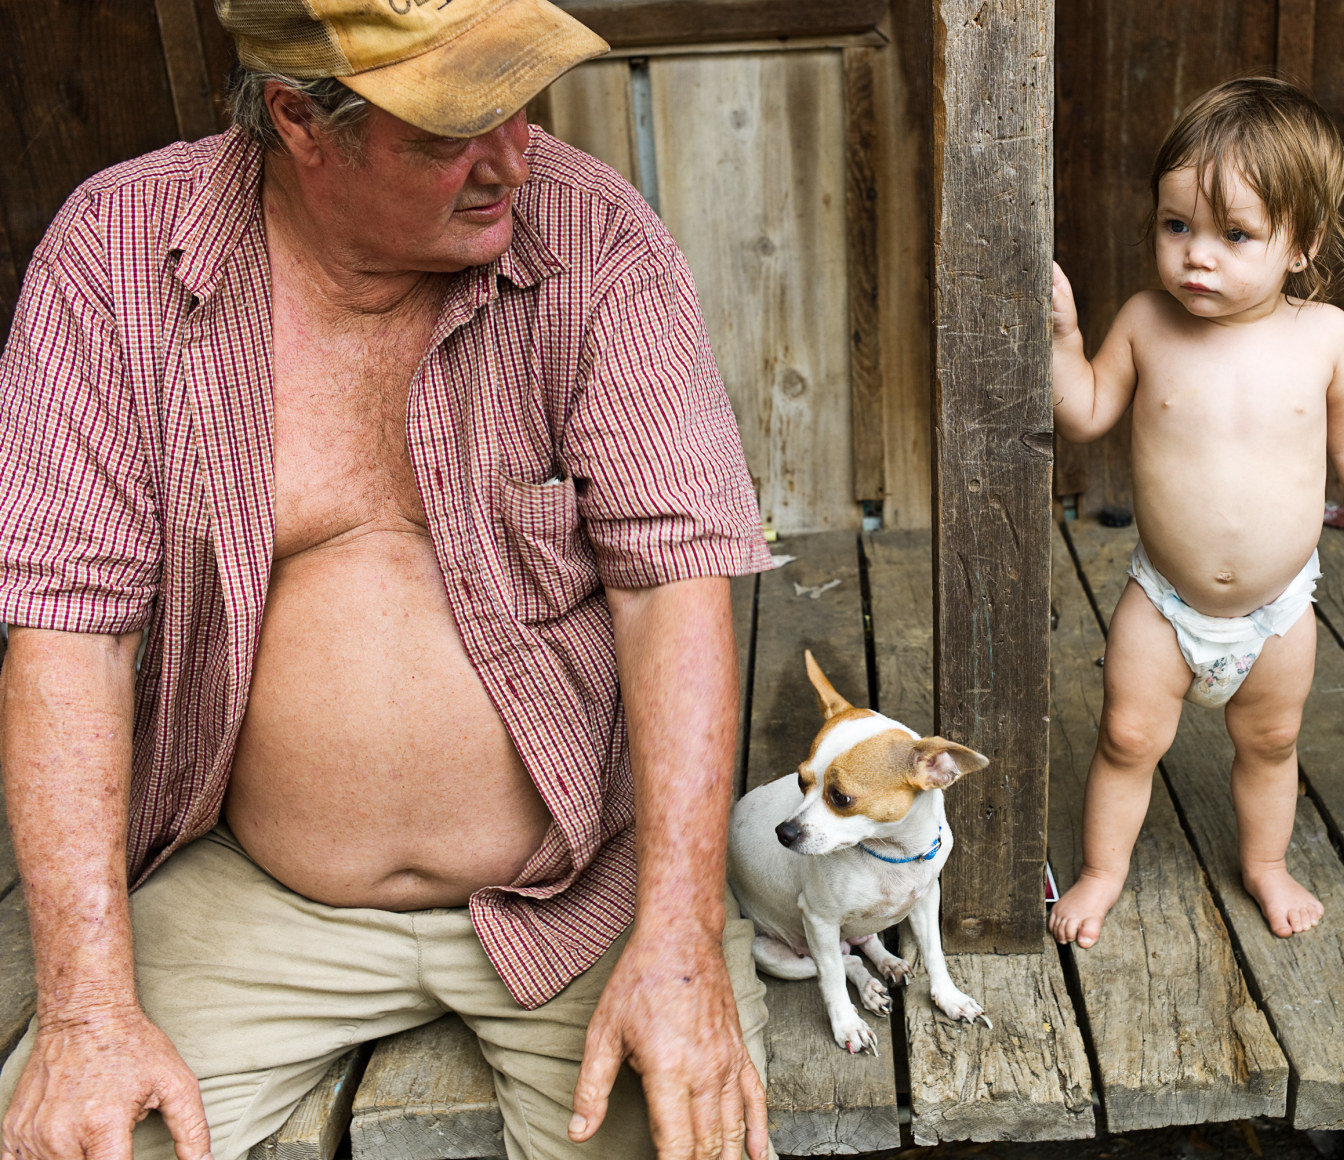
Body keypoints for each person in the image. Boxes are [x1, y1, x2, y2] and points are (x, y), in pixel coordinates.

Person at [0, 2, 776, 1158]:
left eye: (519, 101)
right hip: (248, 888)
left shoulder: (594, 239)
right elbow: (70, 634)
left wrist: (678, 937)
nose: (513, 156)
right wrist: (88, 1009)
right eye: (450, 131)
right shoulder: (116, 255)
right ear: (300, 121)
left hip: (579, 891)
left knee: (686, 1128)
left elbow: (674, 586)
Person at [1047, 77, 1344, 948]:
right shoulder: (1147, 321)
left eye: (1234, 235)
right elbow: (1089, 411)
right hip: (1165, 602)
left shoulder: (1323, 336)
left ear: (1302, 244)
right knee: (1125, 737)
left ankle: (1265, 864)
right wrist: (1065, 344)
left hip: (1277, 611)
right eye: (1175, 225)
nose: (1196, 256)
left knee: (1269, 743)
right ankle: (1101, 871)